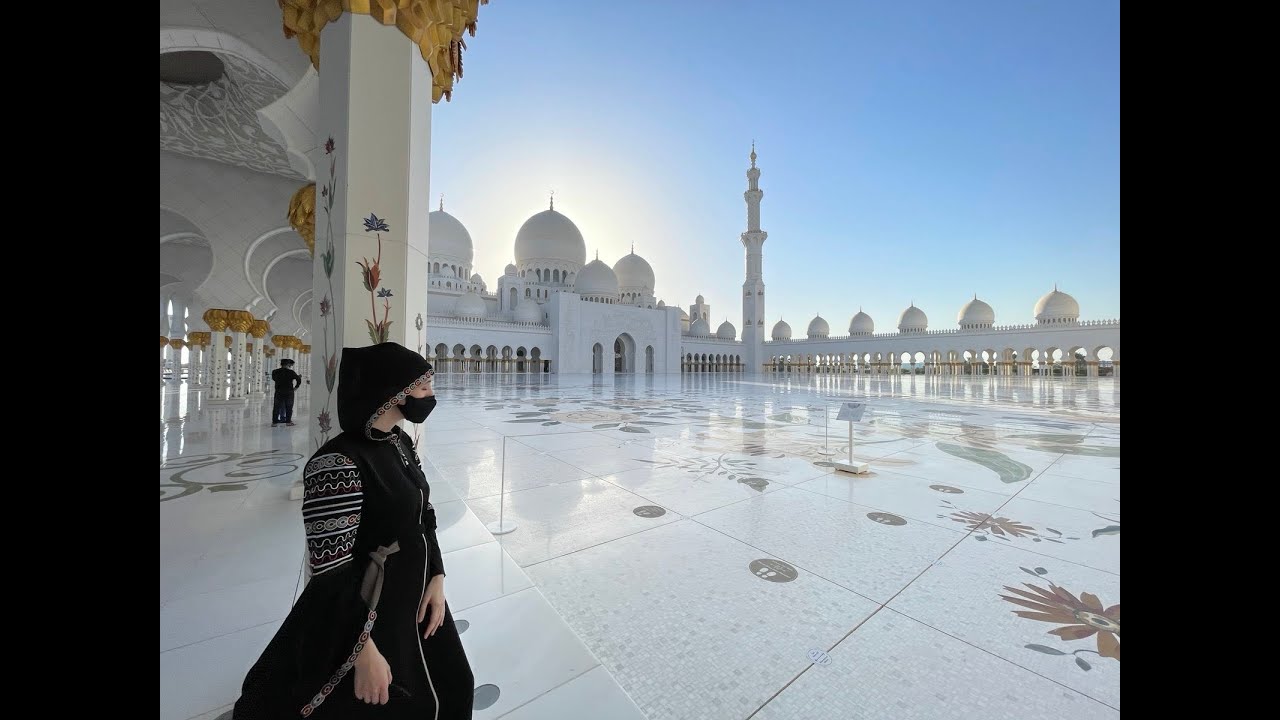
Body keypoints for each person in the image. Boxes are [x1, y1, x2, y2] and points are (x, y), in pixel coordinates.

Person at [234, 343, 474, 718]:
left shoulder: (399, 443)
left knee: (453, 683)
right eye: (424, 388)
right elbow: (329, 573)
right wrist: (361, 651)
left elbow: (423, 516)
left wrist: (438, 576)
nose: (431, 397)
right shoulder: (337, 464)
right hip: (369, 609)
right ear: (392, 392)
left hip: (416, 594)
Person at [271, 359, 303, 427]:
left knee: (276, 407)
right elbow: (298, 379)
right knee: (289, 407)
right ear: (288, 364)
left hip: (279, 391)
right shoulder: (291, 372)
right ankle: (288, 422)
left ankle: (274, 422)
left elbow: (274, 379)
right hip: (289, 392)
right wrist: (296, 387)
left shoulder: (275, 371)